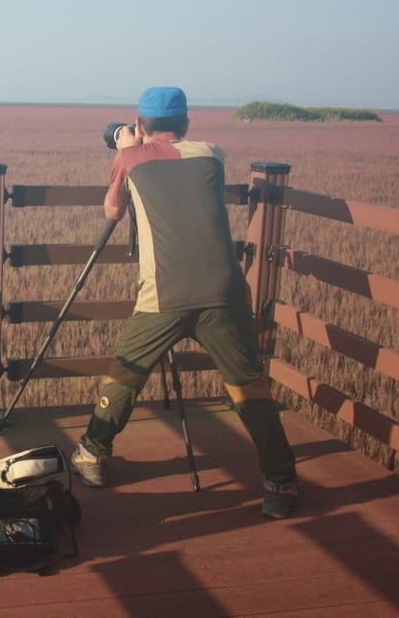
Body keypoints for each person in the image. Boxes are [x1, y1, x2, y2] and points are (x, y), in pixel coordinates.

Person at [71, 86, 300, 519]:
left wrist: (124, 147)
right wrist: (137, 144)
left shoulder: (129, 156)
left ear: (140, 124)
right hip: (225, 291)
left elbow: (112, 212)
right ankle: (281, 482)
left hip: (165, 293)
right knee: (250, 389)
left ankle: (92, 454)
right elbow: (175, 161)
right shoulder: (211, 152)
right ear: (187, 124)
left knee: (127, 375)